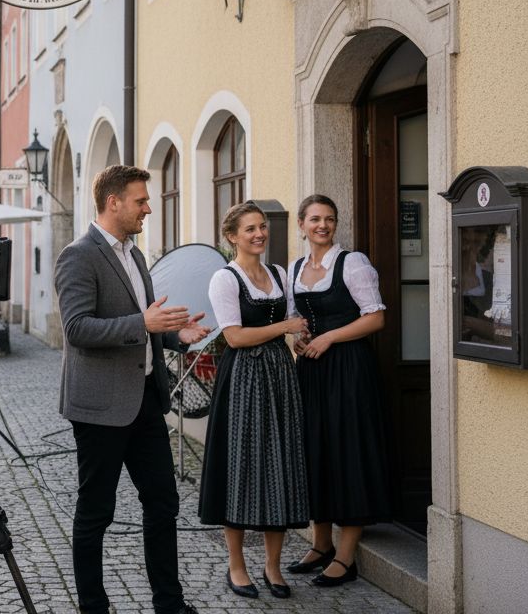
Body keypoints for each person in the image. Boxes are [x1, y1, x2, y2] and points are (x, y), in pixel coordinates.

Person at [54, 164, 208, 614]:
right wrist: (144, 323)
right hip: (100, 406)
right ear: (113, 202)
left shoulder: (135, 255)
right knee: (96, 510)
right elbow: (78, 328)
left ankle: (170, 604)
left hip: (146, 401)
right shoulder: (78, 255)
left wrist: (174, 334)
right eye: (141, 200)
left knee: (163, 502)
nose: (148, 208)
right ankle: (93, 606)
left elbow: (145, 322)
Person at [198, 202, 310, 600]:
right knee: (242, 468)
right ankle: (237, 564)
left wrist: (298, 338)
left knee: (279, 464)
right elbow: (235, 337)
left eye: (262, 227)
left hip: (280, 375)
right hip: (244, 378)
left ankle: (273, 566)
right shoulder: (224, 279)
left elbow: (293, 326)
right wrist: (285, 327)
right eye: (250, 229)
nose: (259, 234)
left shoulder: (279, 273)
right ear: (232, 237)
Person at [287, 194, 390, 586]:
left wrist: (329, 338)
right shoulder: (296, 268)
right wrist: (300, 339)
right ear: (302, 224)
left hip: (349, 370)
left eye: (329, 219)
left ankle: (347, 556)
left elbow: (375, 318)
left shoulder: (354, 263)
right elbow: (298, 318)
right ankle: (321, 543)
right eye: (315, 219)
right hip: (312, 371)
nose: (322, 225)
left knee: (348, 452)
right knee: (316, 450)